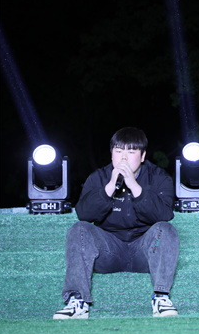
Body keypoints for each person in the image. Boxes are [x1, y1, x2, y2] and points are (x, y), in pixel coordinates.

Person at [53, 127, 179, 319]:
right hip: (108, 251)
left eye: (131, 152)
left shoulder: (159, 177)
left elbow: (164, 214)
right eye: (119, 151)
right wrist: (110, 187)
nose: (124, 158)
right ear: (112, 154)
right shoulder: (98, 177)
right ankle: (77, 302)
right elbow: (83, 214)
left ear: (143, 156)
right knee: (79, 229)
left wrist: (134, 186)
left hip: (145, 252)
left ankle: (161, 298)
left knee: (166, 229)